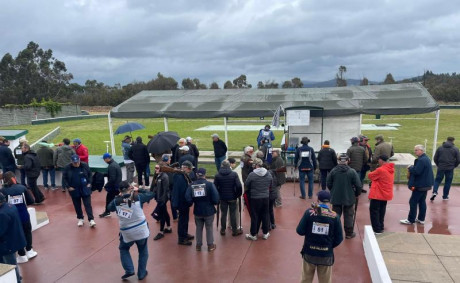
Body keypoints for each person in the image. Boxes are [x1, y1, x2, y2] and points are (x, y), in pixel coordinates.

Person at [108, 181, 154, 280]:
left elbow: (109, 208)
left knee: (123, 249)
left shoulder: (116, 201)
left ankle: (129, 270)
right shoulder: (138, 197)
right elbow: (152, 194)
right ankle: (141, 273)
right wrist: (139, 189)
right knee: (143, 251)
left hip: (127, 232)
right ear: (130, 188)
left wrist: (118, 197)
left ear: (120, 190)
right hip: (141, 229)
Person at [296, 190, 343, 283]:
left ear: (318, 200)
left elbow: (300, 231)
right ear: (329, 201)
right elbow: (339, 238)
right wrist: (329, 245)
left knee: (305, 279)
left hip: (309, 253)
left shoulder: (309, 213)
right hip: (326, 255)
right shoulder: (335, 216)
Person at [1, 172, 37, 264]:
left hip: (13, 218)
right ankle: (29, 250)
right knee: (27, 232)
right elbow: (31, 201)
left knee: (18, 235)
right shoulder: (22, 188)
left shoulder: (3, 191)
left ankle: (22, 255)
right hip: (24, 215)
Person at [327, 153, 362, 239]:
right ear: (348, 161)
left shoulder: (333, 171)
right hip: (349, 197)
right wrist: (357, 194)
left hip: (336, 197)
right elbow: (358, 185)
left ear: (338, 161)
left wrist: (333, 190)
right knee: (349, 215)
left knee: (335, 215)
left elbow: (329, 183)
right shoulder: (352, 172)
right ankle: (349, 233)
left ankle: (335, 233)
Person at [186, 168, 219, 252]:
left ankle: (198, 245)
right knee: (209, 228)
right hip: (209, 210)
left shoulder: (192, 185)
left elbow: (187, 197)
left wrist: (191, 203)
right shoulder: (210, 185)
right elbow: (216, 198)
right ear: (205, 174)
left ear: (197, 175)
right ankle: (210, 245)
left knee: (198, 228)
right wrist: (213, 203)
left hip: (198, 210)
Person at [400, 145, 434, 225]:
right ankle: (421, 219)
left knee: (413, 202)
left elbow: (417, 171)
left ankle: (410, 220)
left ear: (421, 151)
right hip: (426, 184)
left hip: (420, 185)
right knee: (422, 202)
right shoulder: (426, 158)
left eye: (416, 150)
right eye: (415, 150)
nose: (415, 152)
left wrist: (410, 168)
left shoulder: (421, 160)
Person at [0, 192, 26, 283]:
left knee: (10, 265)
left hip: (6, 245)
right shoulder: (11, 206)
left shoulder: (2, 214)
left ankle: (17, 279)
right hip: (14, 240)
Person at [245, 158, 273, 241]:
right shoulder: (268, 174)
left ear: (255, 165)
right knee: (265, 214)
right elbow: (271, 184)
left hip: (255, 198)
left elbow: (247, 184)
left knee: (254, 216)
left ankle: (253, 234)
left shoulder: (252, 174)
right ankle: (265, 233)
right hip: (265, 197)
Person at [63, 154, 96, 227]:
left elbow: (90, 174)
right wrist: (68, 187)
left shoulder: (84, 165)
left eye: (77, 162)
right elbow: (64, 178)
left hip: (85, 188)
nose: (76, 164)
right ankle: (80, 218)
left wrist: (89, 183)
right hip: (74, 189)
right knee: (77, 205)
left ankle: (91, 219)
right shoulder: (67, 168)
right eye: (74, 163)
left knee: (88, 204)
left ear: (79, 160)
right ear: (71, 162)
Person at [214, 160, 243, 236]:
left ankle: (223, 229)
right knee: (232, 214)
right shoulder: (234, 174)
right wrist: (238, 194)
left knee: (223, 214)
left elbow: (215, 187)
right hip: (232, 197)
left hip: (222, 197)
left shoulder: (217, 175)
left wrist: (218, 195)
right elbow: (239, 186)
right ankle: (234, 230)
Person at [367, 155, 394, 234]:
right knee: (382, 211)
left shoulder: (380, 170)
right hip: (385, 194)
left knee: (374, 211)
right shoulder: (391, 169)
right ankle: (380, 226)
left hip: (377, 194)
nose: (378, 161)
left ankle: (377, 229)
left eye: (379, 160)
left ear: (381, 160)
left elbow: (370, 176)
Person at [172, 160, 195, 245]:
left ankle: (184, 234)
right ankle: (181, 238)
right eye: (190, 169)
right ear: (187, 169)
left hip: (182, 202)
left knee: (185, 219)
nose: (191, 171)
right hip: (182, 202)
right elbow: (182, 192)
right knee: (182, 220)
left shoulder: (180, 175)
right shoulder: (180, 177)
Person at [431, 137, 460, 201]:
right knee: (448, 182)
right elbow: (458, 160)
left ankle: (434, 192)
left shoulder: (440, 148)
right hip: (450, 168)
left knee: (437, 180)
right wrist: (454, 166)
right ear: (453, 141)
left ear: (446, 140)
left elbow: (435, 158)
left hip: (441, 167)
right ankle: (445, 196)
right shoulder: (455, 149)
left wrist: (438, 165)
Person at [151, 164, 172, 240]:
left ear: (161, 169)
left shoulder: (164, 177)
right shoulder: (158, 175)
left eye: (157, 168)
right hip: (159, 198)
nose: (155, 169)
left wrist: (162, 200)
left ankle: (161, 232)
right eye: (155, 168)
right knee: (165, 212)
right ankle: (169, 228)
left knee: (162, 214)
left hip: (162, 199)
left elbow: (166, 190)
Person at [99, 153, 122, 218]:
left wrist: (106, 185)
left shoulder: (111, 166)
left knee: (109, 199)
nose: (104, 160)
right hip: (117, 185)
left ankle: (107, 212)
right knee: (119, 199)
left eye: (104, 159)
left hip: (114, 187)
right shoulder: (115, 164)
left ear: (107, 159)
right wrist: (104, 174)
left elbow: (112, 178)